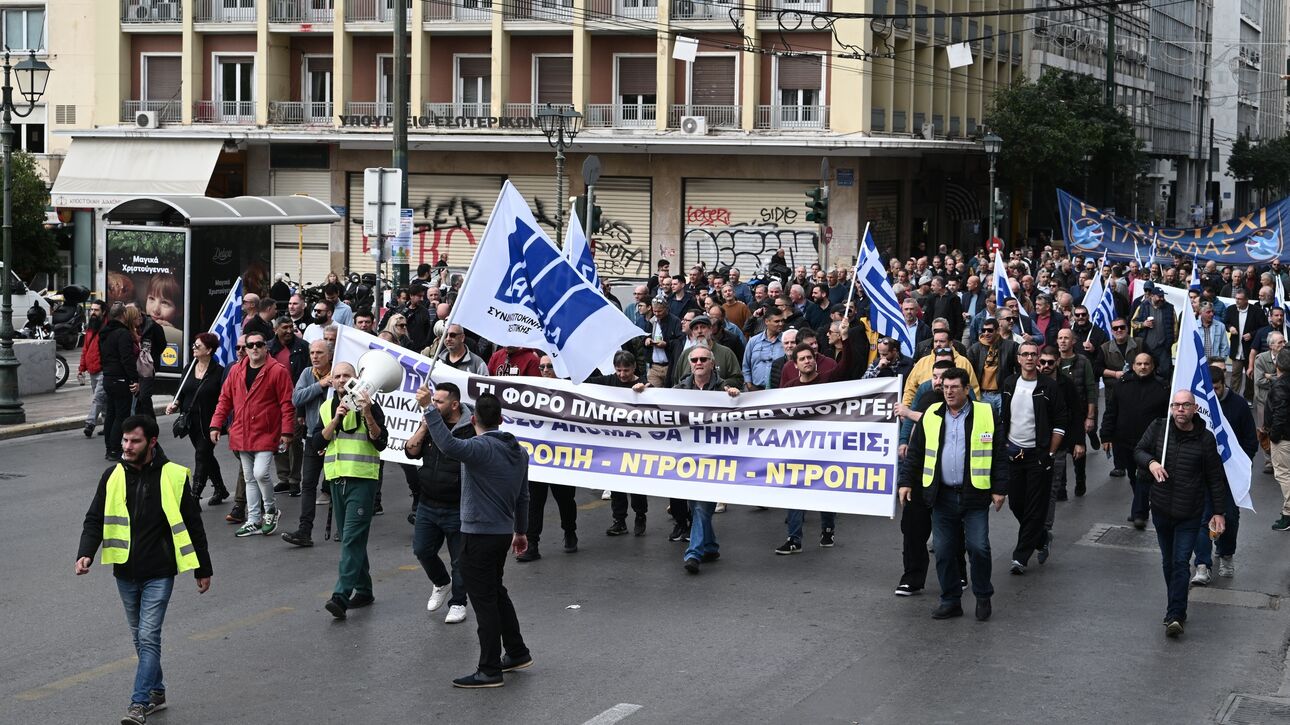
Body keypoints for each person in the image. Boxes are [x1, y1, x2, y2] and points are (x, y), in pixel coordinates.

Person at [75, 415, 212, 725]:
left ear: (151, 442)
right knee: (140, 637)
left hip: (159, 571)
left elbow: (194, 525)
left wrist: (202, 567)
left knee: (148, 636)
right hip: (124, 571)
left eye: (134, 441)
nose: (126, 446)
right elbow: (94, 518)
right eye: (124, 440)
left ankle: (139, 704)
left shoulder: (174, 476)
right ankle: (157, 691)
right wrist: (86, 553)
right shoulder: (111, 476)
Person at [420, 392, 533, 688]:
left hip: (479, 534)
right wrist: (521, 531)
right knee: (495, 592)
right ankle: (517, 652)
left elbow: (447, 444)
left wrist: (428, 410)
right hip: (502, 533)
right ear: (502, 419)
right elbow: (523, 496)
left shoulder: (479, 448)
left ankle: (489, 669)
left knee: (484, 601)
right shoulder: (519, 452)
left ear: (473, 421)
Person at [898, 368, 1005, 621]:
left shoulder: (986, 413)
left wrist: (1000, 488)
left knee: (978, 547)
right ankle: (951, 600)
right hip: (941, 496)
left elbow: (999, 453)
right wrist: (905, 482)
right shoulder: (932, 416)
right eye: (945, 387)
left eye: (954, 387)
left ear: (966, 389)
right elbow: (916, 452)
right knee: (944, 551)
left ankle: (982, 595)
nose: (949, 391)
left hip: (975, 494)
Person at [1135, 390, 1228, 638]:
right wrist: (1151, 462)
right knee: (1168, 562)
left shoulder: (1205, 439)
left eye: (1185, 405)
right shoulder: (1159, 429)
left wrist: (1219, 512)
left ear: (1194, 409)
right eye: (1176, 405)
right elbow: (1139, 451)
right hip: (1162, 509)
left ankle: (1175, 614)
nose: (1180, 410)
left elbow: (1215, 478)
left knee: (1180, 562)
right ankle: (1175, 602)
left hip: (1190, 513)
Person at [317, 361, 388, 620]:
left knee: (350, 539)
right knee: (352, 539)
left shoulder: (371, 406)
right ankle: (365, 590)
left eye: (347, 375)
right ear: (331, 381)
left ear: (355, 378)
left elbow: (381, 442)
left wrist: (367, 413)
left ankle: (340, 596)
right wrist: (336, 419)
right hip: (337, 480)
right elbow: (317, 440)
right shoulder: (326, 407)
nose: (342, 380)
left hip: (362, 479)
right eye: (337, 376)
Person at [209, 330, 296, 538]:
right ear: (245, 349)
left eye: (259, 344)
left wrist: (287, 431)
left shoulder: (277, 371)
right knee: (249, 477)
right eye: (250, 345)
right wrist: (215, 425)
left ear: (266, 347)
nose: (255, 348)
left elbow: (287, 404)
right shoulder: (236, 371)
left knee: (260, 474)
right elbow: (224, 400)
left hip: (266, 432)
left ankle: (271, 510)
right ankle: (253, 519)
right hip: (242, 432)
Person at [407, 382, 474, 624]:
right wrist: (425, 427)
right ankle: (441, 582)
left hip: (456, 506)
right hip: (428, 502)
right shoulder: (430, 422)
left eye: (439, 402)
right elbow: (410, 451)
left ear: (454, 405)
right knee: (422, 550)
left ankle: (458, 603)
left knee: (459, 560)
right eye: (432, 401)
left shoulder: (470, 429)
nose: (433, 405)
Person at [999, 340, 1067, 576]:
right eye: (1025, 354)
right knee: (1017, 503)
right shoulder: (1008, 383)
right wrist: (1004, 443)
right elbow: (1004, 417)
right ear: (1018, 359)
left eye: (1033, 354)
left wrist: (1049, 453)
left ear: (1038, 359)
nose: (1029, 358)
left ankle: (1020, 556)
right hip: (1013, 454)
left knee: (1035, 508)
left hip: (1038, 455)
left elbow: (1060, 423)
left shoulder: (1049, 386)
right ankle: (1040, 537)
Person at [675, 348, 741, 574]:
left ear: (713, 364)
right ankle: (710, 546)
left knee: (702, 505)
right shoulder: (680, 389)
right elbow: (656, 405)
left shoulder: (725, 390)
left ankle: (693, 553)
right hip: (689, 457)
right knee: (696, 505)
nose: (699, 362)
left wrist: (735, 397)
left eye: (704, 359)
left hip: (715, 459)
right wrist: (642, 391)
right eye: (694, 360)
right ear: (689, 364)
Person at [1190, 365, 1256, 583]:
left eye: (1216, 389)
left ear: (1223, 384)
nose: (1213, 395)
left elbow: (1249, 440)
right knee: (1202, 518)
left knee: (1230, 517)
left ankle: (1226, 554)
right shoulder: (1197, 405)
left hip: (1228, 475)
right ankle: (1202, 564)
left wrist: (1238, 464)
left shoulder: (1238, 405)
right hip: (1200, 474)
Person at [775, 345, 838, 553]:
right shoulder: (789, 388)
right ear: (795, 365)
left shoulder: (828, 380)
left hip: (824, 446)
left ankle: (828, 529)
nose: (807, 361)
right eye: (802, 359)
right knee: (795, 490)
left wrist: (846, 340)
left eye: (810, 357)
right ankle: (794, 539)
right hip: (797, 447)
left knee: (824, 488)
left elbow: (848, 366)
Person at [1099, 352, 1170, 529]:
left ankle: (1139, 513)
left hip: (1150, 445)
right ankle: (1142, 505)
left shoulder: (1162, 387)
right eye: (1139, 364)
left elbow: (1167, 417)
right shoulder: (1122, 385)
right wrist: (1106, 435)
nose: (1143, 367)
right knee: (1133, 476)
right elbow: (1111, 412)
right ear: (1133, 366)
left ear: (1152, 366)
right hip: (1125, 440)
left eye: (1146, 364)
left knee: (1143, 477)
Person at [587, 351, 650, 535]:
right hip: (614, 442)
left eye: (626, 370)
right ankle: (619, 520)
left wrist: (646, 390)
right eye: (619, 370)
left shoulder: (644, 384)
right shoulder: (609, 380)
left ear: (634, 368)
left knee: (637, 483)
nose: (622, 375)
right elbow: (585, 384)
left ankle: (640, 515)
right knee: (616, 483)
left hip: (637, 443)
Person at [280, 339, 334, 548]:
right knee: (308, 484)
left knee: (336, 485)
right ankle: (305, 530)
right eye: (312, 352)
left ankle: (342, 529)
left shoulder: (338, 372)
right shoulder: (307, 374)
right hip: (313, 436)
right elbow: (296, 398)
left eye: (319, 352)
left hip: (335, 438)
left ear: (329, 355)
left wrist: (332, 382)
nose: (315, 356)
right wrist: (319, 385)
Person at [166, 333, 229, 506]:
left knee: (201, 455)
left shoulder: (219, 372)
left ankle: (194, 497)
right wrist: (174, 404)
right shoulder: (189, 368)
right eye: (193, 345)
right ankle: (220, 489)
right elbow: (181, 392)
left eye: (197, 346)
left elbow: (224, 399)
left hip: (209, 423)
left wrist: (221, 422)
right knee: (206, 456)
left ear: (209, 350)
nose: (193, 348)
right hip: (190, 422)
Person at [269, 316, 310, 497]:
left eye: (290, 327)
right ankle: (283, 478)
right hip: (273, 400)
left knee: (293, 440)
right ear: (275, 330)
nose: (288, 331)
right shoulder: (269, 348)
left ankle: (295, 480)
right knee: (278, 438)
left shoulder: (302, 347)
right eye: (284, 328)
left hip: (294, 400)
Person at [100, 303, 139, 461]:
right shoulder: (122, 333)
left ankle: (109, 448)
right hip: (120, 378)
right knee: (121, 415)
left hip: (108, 377)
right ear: (123, 315)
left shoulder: (104, 333)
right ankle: (115, 448)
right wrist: (134, 379)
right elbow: (126, 358)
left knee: (111, 413)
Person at [1265, 349, 1290, 532]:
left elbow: (1280, 413)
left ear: (1278, 365)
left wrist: (1274, 435)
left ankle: (1288, 514)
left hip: (1284, 438)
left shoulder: (1281, 386)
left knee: (1284, 475)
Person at [1253, 332, 1285, 474]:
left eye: (1284, 341)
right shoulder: (1261, 359)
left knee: (1279, 427)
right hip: (1264, 400)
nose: (1283, 344)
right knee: (1264, 429)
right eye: (1280, 342)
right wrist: (1277, 379)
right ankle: (1268, 461)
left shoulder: (1286, 357)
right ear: (1271, 345)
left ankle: (1280, 459)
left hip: (1282, 399)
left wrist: (1269, 376)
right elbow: (1259, 380)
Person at [1225, 288, 1265, 398]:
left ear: (1246, 300)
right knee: (1235, 375)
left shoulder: (1256, 311)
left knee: (1250, 375)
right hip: (1236, 349)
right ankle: (1233, 397)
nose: (1237, 301)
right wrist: (1230, 327)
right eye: (1236, 298)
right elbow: (1226, 322)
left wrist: (1252, 334)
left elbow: (1263, 327)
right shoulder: (1231, 309)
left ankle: (1248, 397)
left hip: (1250, 349)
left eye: (1240, 299)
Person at [80, 299, 107, 437]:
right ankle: (108, 426)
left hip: (103, 370)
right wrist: (81, 368)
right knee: (103, 400)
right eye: (91, 310)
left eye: (96, 310)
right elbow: (86, 349)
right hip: (92, 370)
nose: (93, 312)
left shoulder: (107, 328)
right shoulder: (91, 327)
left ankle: (90, 424)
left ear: (103, 312)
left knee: (98, 398)